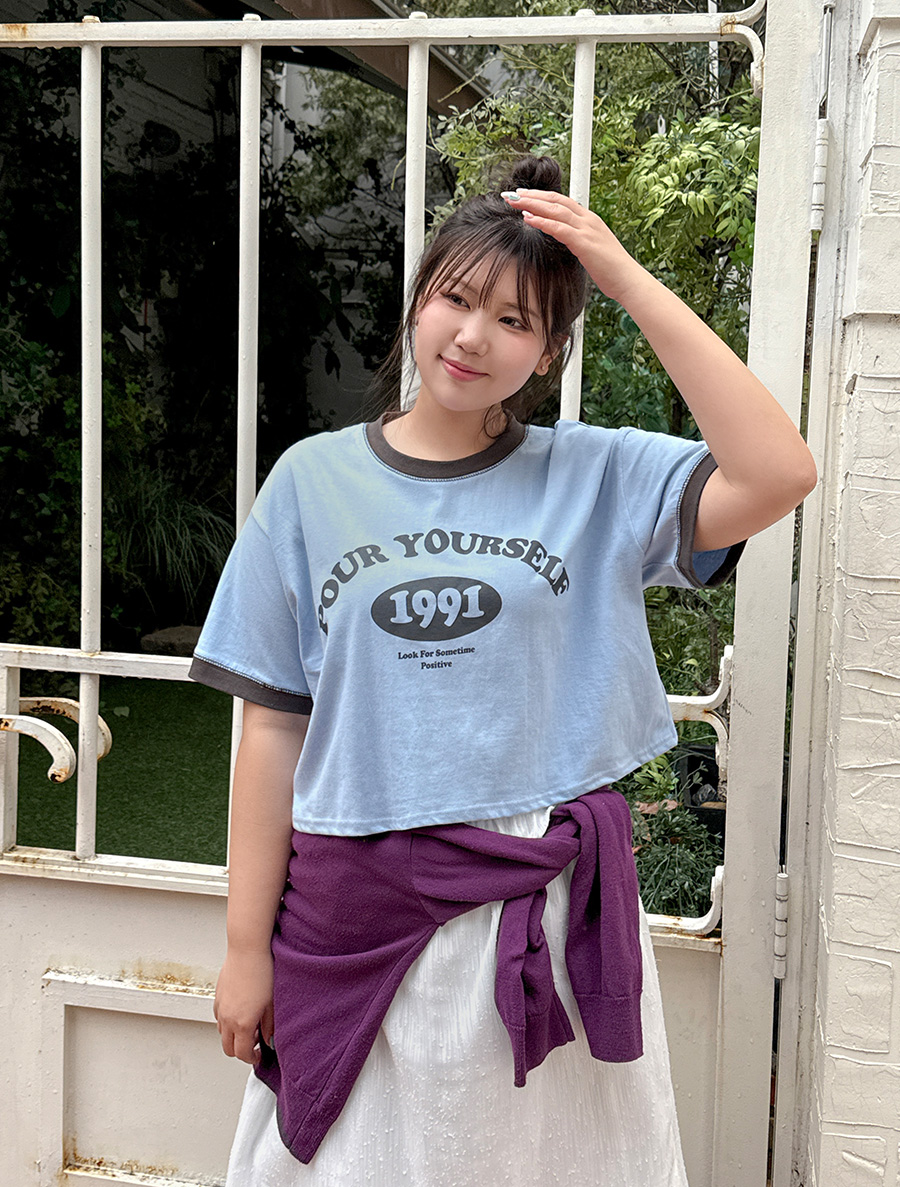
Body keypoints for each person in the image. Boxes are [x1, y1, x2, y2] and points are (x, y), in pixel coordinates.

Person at [189, 154, 816, 1186]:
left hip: (548, 913)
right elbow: (271, 730)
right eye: (456, 298)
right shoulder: (309, 482)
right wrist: (244, 947)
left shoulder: (594, 474)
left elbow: (779, 469)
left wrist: (623, 277)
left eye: (516, 319)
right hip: (357, 912)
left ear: (551, 350)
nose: (474, 335)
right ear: (419, 303)